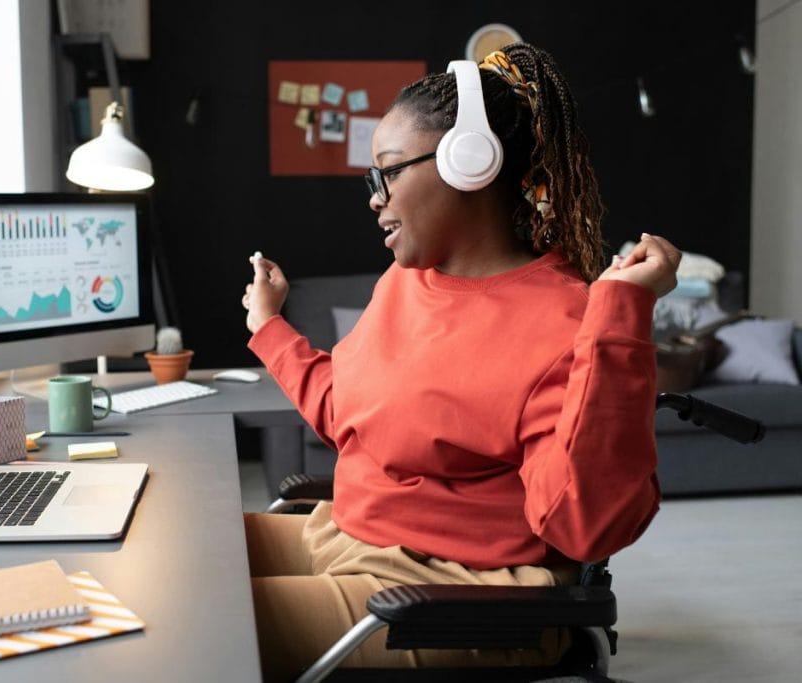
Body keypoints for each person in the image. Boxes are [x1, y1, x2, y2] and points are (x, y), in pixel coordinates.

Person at [240, 42, 681, 681]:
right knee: (179, 556)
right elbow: (351, 416)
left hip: (454, 591)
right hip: (353, 536)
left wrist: (618, 315)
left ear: (469, 164)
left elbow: (585, 526)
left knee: (181, 618)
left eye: (389, 172)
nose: (374, 197)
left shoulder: (564, 323)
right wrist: (269, 326)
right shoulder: (405, 282)